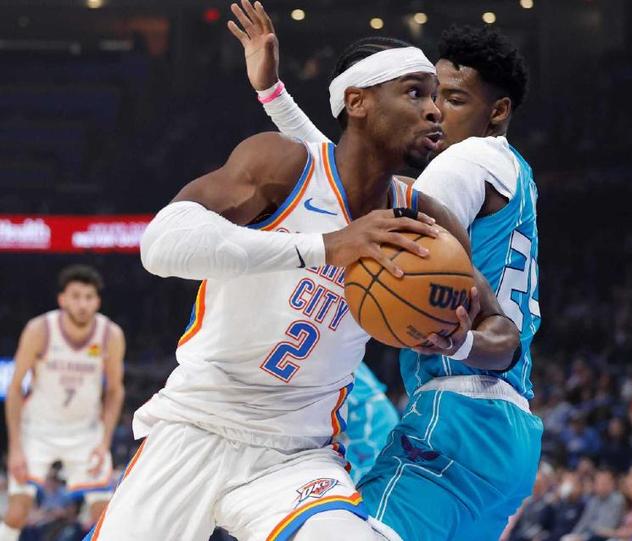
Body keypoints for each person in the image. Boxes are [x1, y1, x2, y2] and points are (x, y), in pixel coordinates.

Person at [85, 23, 519, 541]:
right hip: (196, 426)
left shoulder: (426, 221)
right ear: (358, 102)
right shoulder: (283, 166)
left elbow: (504, 338)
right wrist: (325, 248)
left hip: (298, 455)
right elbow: (161, 245)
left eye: (435, 97)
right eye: (415, 93)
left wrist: (463, 342)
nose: (434, 110)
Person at [230, 3, 543, 538]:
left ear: (497, 111)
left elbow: (352, 189)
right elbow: (345, 175)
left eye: (452, 99)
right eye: (427, 95)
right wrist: (275, 98)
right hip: (510, 426)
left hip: (456, 417)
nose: (435, 112)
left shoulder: (464, 161)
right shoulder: (517, 172)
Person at [1, 265, 126, 541]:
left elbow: (115, 391)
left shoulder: (110, 335)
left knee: (105, 516)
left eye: (89, 297)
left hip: (86, 432)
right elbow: (15, 388)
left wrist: (104, 441)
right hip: (38, 430)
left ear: (97, 301)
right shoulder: (39, 329)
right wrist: (16, 447)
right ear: (63, 299)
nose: (82, 304)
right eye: (76, 296)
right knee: (18, 512)